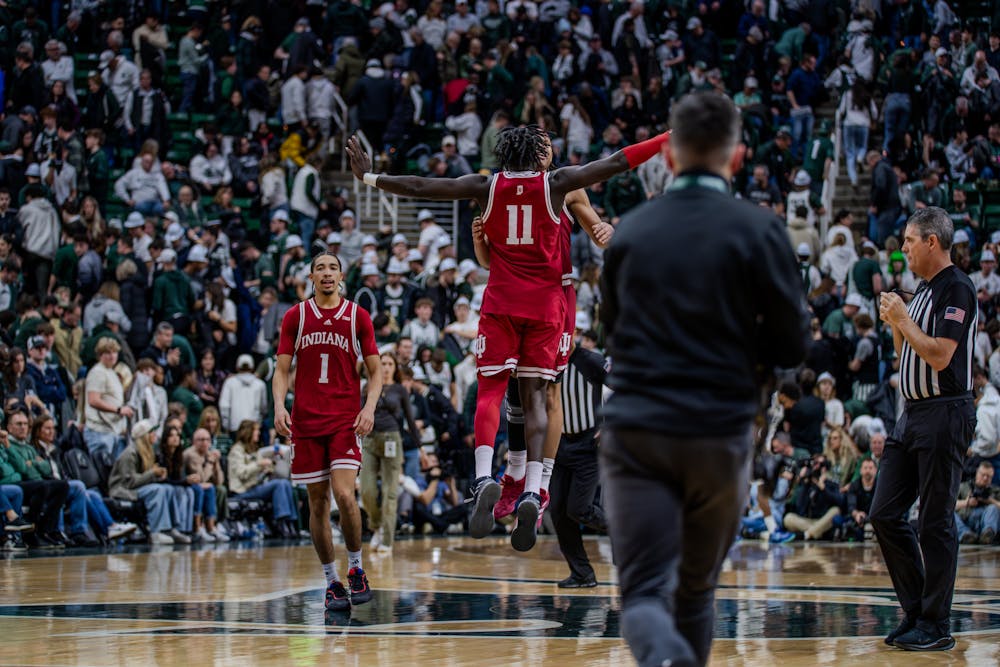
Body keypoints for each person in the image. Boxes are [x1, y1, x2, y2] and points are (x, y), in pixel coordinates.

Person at [347, 122, 667, 552]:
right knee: (536, 399)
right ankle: (533, 487)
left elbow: (424, 186)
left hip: (501, 301)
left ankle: (484, 479)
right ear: (539, 154)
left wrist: (371, 176)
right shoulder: (558, 183)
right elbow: (618, 160)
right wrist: (668, 137)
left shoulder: (486, 186)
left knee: (491, 394)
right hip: (547, 304)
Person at [598, 92, 810, 667]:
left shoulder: (633, 233)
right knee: (695, 592)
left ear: (667, 157)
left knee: (643, 594)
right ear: (738, 158)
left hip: (637, 432)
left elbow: (611, 334)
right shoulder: (760, 230)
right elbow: (795, 345)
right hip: (718, 431)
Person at [872, 207, 978, 652]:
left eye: (910, 241)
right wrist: (895, 323)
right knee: (883, 513)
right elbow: (905, 355)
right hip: (911, 414)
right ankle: (917, 612)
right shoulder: (921, 289)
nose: (904, 250)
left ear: (932, 242)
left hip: (944, 412)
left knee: (934, 521)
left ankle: (936, 624)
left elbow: (939, 355)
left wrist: (903, 320)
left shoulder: (956, 287)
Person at [272, 251, 382, 612]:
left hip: (343, 420)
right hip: (306, 421)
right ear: (311, 276)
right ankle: (331, 581)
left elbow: (376, 371)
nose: (327, 273)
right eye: (320, 267)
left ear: (341, 275)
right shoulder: (296, 316)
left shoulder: (357, 316)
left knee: (345, 495)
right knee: (317, 502)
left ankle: (356, 568)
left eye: (333, 267)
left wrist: (369, 407)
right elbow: (282, 369)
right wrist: (278, 406)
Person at [361, 352, 420, 555]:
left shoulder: (399, 390)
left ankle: (387, 538)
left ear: (395, 368)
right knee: (366, 490)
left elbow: (410, 421)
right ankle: (376, 524)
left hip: (392, 439)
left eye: (389, 364)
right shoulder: (366, 388)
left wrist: (421, 448)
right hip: (369, 440)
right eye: (382, 363)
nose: (385, 367)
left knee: (390, 491)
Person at [955, 461, 1000, 544]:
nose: (985, 478)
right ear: (977, 473)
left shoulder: (995, 490)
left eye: (988, 476)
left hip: (984, 522)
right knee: (951, 515)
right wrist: (966, 502)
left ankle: (988, 535)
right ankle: (966, 535)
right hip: (966, 519)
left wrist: (990, 501)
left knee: (993, 508)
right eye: (983, 475)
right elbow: (950, 506)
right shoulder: (963, 487)